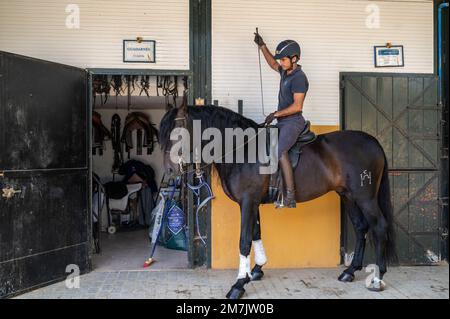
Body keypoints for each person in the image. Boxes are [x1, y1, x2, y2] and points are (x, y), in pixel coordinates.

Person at [254, 33, 309, 208]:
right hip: (283, 122)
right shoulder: (285, 72)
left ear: (294, 58)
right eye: (282, 60)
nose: (282, 63)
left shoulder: (299, 78)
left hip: (293, 122)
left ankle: (290, 197)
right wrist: (262, 45)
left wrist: (276, 114)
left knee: (278, 151)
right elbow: (272, 63)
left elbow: (297, 106)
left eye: (284, 60)